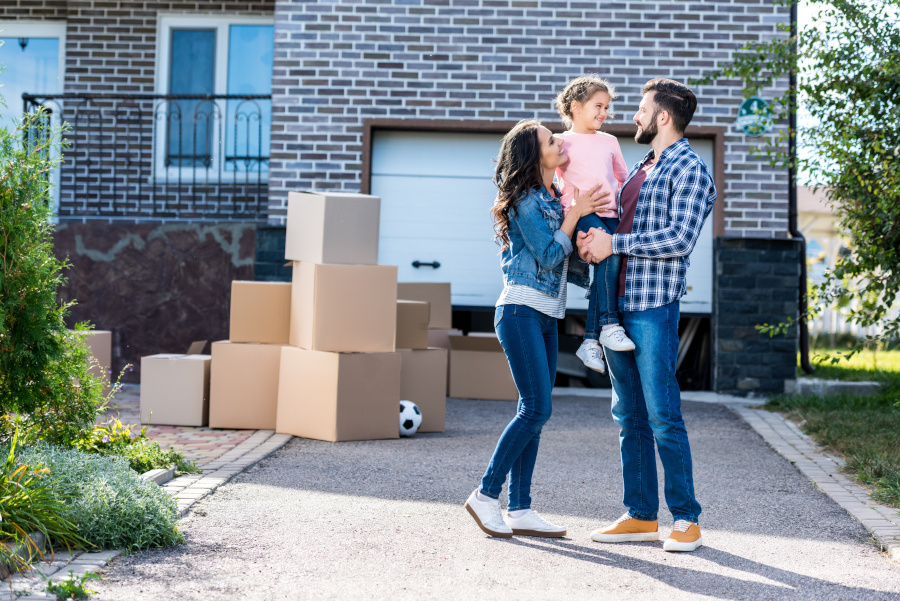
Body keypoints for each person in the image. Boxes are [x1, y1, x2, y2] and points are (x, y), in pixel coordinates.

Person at [577, 78, 716, 552]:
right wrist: (592, 241)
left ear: (662, 117)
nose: (632, 116)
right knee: (628, 415)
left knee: (662, 414)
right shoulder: (641, 165)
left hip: (652, 306)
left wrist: (614, 243)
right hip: (615, 306)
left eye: (640, 109)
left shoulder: (691, 170)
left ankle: (686, 519)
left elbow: (679, 240)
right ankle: (640, 514)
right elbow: (615, 225)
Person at [464, 119, 609, 538]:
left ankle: (521, 508)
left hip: (547, 314)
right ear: (535, 155)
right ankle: (486, 495)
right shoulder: (526, 200)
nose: (560, 141)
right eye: (551, 139)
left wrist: (589, 245)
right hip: (520, 311)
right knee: (536, 408)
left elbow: (566, 263)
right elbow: (547, 256)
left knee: (535, 412)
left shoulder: (554, 198)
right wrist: (576, 215)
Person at [554, 75, 635, 376]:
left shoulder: (610, 142)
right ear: (576, 107)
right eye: (597, 106)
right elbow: (548, 175)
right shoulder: (560, 142)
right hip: (581, 213)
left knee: (608, 265)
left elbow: (622, 180)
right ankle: (609, 324)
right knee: (608, 256)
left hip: (610, 213)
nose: (604, 113)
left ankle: (590, 340)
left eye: (607, 108)